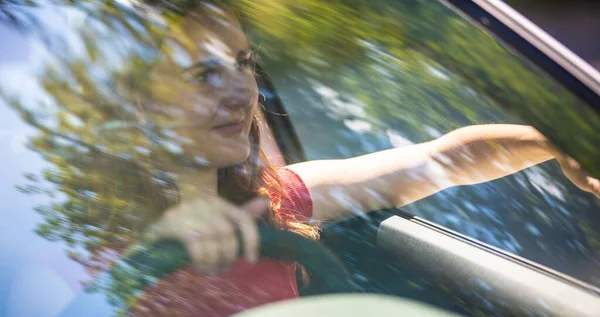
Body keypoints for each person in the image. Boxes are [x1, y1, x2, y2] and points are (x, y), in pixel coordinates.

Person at [125, 2, 600, 316]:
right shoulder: (105, 268)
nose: (241, 90)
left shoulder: (276, 198)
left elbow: (443, 159)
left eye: (243, 63)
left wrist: (554, 142)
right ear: (145, 105)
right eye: (205, 74)